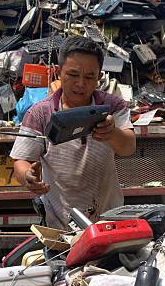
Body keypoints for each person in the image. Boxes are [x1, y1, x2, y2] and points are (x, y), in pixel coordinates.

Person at [10, 36, 136, 229]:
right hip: (59, 223)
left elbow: (128, 147)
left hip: (109, 220)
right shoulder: (39, 113)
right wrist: (27, 176)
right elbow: (20, 159)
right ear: (59, 73)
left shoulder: (112, 106)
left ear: (99, 77)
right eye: (73, 75)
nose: (80, 84)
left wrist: (112, 133)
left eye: (89, 77)